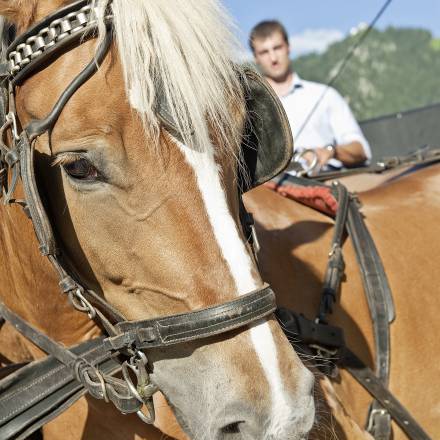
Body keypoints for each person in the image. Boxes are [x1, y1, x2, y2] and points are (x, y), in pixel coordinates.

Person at [250, 20, 371, 170]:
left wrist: (330, 151)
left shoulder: (326, 95)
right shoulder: (249, 108)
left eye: (277, 48)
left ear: (288, 47)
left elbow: (361, 151)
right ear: (255, 57)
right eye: (264, 52)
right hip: (271, 189)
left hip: (325, 182)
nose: (273, 58)